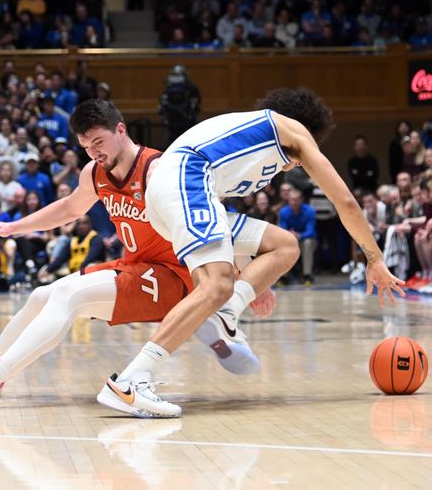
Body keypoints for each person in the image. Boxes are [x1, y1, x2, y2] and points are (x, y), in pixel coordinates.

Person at [0, 100, 295, 415]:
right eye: (86, 146)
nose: (94, 152)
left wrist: (242, 275)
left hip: (176, 275)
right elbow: (70, 207)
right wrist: (14, 226)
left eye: (98, 142)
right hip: (138, 266)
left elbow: (208, 220)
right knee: (42, 295)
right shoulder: (95, 172)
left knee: (69, 296)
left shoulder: (160, 170)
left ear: (121, 130)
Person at [116, 87, 405, 417]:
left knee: (284, 245)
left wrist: (251, 283)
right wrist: (375, 258)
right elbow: (345, 201)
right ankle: (132, 378)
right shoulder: (293, 131)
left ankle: (226, 312)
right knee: (215, 286)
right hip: (183, 179)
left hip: (174, 193)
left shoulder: (254, 145)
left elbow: (217, 224)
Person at [278, 188, 318, 285]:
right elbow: (281, 231)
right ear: (288, 200)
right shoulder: (283, 212)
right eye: (292, 199)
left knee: (307, 243)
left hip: (306, 240)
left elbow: (311, 232)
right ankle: (284, 276)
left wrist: (298, 235)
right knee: (282, 244)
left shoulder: (310, 211)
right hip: (289, 240)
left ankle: (307, 276)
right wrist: (290, 236)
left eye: (296, 199)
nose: (294, 202)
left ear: (301, 200)